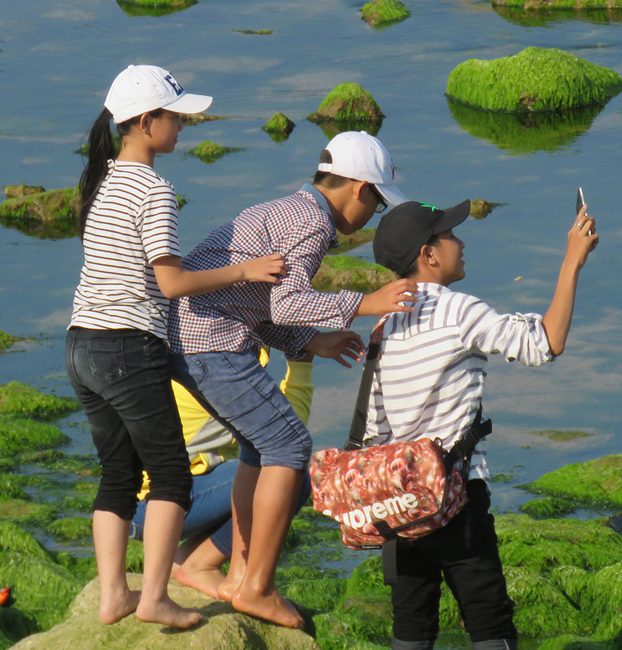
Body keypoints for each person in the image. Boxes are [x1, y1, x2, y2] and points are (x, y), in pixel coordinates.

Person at [167, 130, 419, 629]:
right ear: (358, 189)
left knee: (260, 447)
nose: (372, 215)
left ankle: (241, 574)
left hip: (185, 334)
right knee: (289, 446)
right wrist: (367, 304)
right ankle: (256, 588)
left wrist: (309, 343)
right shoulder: (310, 223)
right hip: (209, 343)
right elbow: (287, 301)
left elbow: (258, 305)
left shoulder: (284, 209)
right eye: (377, 203)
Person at [65, 64, 286, 628]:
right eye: (176, 117)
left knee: (116, 472)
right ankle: (155, 598)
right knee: (170, 475)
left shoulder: (102, 180)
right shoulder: (154, 188)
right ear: (145, 122)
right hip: (127, 345)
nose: (183, 127)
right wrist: (245, 271)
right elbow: (171, 284)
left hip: (80, 345)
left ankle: (114, 593)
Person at [366, 198, 599, 650]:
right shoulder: (457, 310)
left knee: (411, 628)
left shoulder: (383, 327)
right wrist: (572, 262)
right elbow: (545, 343)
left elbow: (377, 431)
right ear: (427, 255)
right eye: (449, 234)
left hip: (400, 503)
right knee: (489, 624)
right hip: (456, 497)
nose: (461, 240)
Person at [129, 351, 315, 599]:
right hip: (155, 506)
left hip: (150, 500)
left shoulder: (199, 355)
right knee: (290, 477)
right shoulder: (219, 372)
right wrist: (301, 362)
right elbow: (287, 440)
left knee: (270, 471)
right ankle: (200, 565)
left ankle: (188, 560)